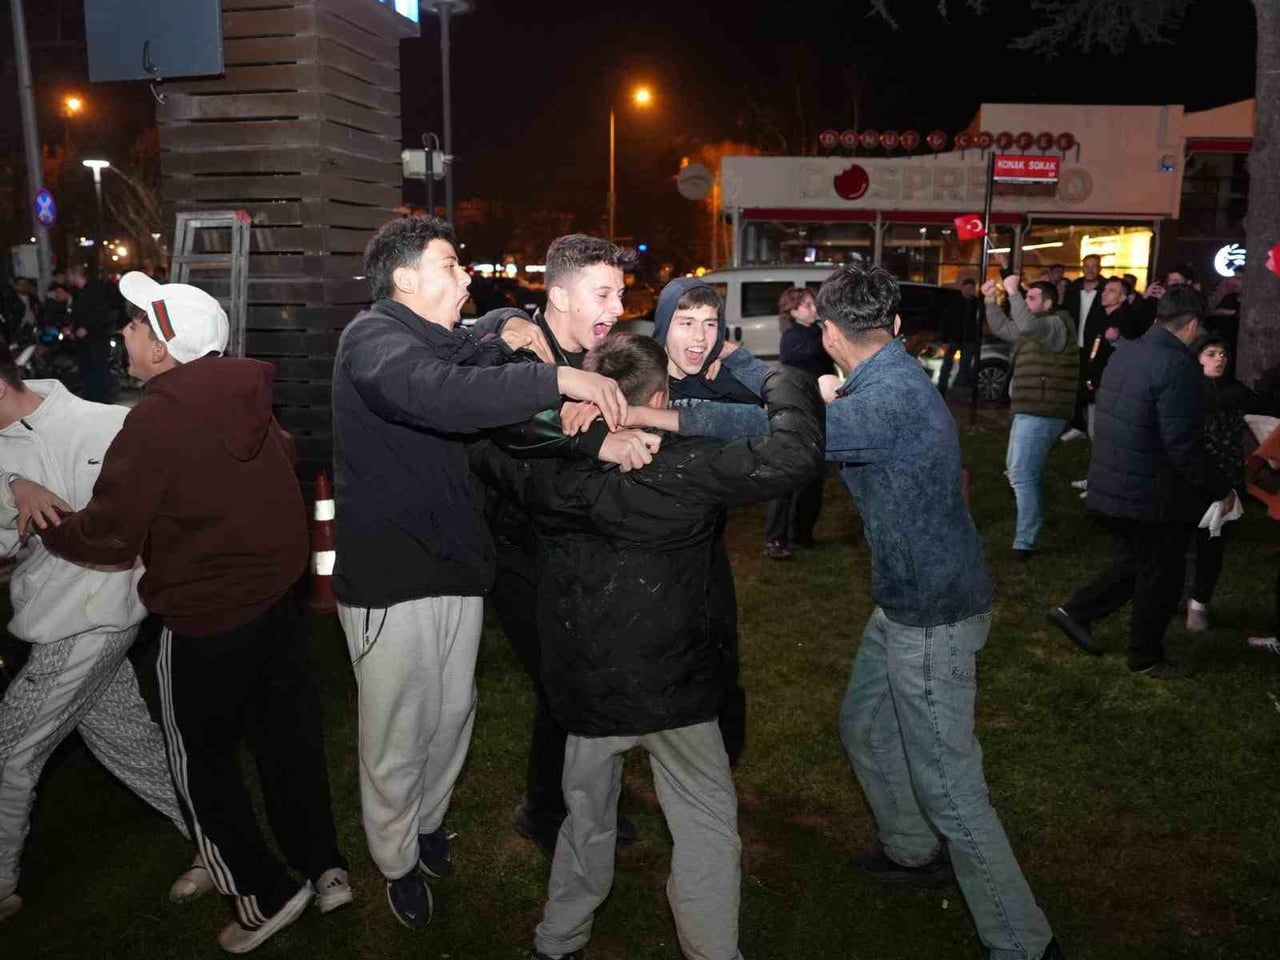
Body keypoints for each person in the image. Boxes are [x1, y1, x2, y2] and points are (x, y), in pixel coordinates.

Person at [639, 263, 1065, 959]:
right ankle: (910, 849)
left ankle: (1023, 940)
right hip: (910, 600)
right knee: (865, 725)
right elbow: (799, 403)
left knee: (952, 787)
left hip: (931, 617)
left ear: (831, 334)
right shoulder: (886, 377)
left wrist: (664, 413)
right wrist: (740, 359)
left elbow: (774, 431)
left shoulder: (886, 403)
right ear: (893, 327)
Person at [468, 332, 824, 960]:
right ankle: (711, 950)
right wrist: (781, 377)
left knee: (586, 819)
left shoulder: (547, 468)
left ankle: (559, 938)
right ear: (659, 397)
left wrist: (538, 390)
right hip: (675, 690)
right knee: (707, 825)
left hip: (588, 687)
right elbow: (794, 453)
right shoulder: (686, 467)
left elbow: (481, 431)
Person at [30, 272, 351, 952]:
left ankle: (263, 893)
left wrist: (49, 522)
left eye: (139, 325)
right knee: (288, 743)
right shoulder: (249, 398)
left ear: (166, 347)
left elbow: (111, 536)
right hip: (276, 610)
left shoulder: (158, 416)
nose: (126, 332)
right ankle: (324, 867)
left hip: (206, 618)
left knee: (199, 766)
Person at [330, 217, 628, 929]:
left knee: (452, 716)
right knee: (397, 731)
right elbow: (438, 391)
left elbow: (478, 335)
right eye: (451, 263)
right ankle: (396, 859)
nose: (467, 274)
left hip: (457, 566)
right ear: (405, 280)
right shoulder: (373, 340)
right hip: (391, 580)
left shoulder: (440, 336)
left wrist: (501, 326)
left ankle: (428, 824)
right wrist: (556, 373)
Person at [0, 354, 211, 923]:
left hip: (95, 619)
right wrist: (14, 486)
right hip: (52, 617)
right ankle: (217, 844)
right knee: (126, 742)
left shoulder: (104, 422)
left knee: (8, 753)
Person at [468, 233, 654, 859]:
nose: (615, 306)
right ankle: (546, 808)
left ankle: (589, 798)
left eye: (620, 294)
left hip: (585, 545)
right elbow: (510, 431)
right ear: (558, 296)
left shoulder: (603, 353)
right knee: (558, 681)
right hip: (521, 553)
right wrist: (581, 434)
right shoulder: (515, 352)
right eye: (603, 292)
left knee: (591, 673)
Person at [1048, 287, 1235, 679]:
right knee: (1161, 575)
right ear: (1194, 325)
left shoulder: (1128, 351)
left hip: (1114, 481)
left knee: (1138, 563)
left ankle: (1075, 612)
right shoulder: (1177, 366)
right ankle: (1145, 657)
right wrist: (1222, 488)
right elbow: (1182, 445)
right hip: (1150, 493)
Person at [982, 275, 1078, 559]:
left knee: (1023, 475)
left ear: (1048, 303)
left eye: (1032, 297)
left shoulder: (1054, 324)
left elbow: (1025, 323)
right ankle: (1027, 532)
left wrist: (1012, 292)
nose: (1025, 301)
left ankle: (1024, 542)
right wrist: (990, 300)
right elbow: (1002, 327)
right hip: (1029, 409)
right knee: (1017, 473)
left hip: (1043, 411)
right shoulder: (1035, 328)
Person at [1184, 336, 1256, 631]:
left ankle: (1199, 601)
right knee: (1179, 542)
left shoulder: (1236, 392)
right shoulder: (1186, 392)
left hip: (1225, 479)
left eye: (1223, 354)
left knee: (1213, 545)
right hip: (1190, 479)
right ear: (1197, 358)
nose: (1219, 359)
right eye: (1211, 353)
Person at [763, 287, 833, 557]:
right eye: (806, 305)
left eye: (813, 304)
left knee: (814, 477)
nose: (813, 309)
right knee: (789, 476)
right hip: (796, 410)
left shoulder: (817, 332)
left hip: (819, 409)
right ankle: (776, 538)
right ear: (792, 310)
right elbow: (807, 356)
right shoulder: (792, 337)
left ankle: (802, 533)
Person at [1062, 255, 1106, 438]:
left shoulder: (1106, 288)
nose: (1090, 270)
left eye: (1094, 266)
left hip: (1096, 346)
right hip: (1074, 345)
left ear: (1100, 268)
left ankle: (1095, 428)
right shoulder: (1073, 288)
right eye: (1087, 266)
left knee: (1093, 386)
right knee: (1074, 386)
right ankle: (1078, 425)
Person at [65, 264, 117, 403]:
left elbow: (101, 313)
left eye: (69, 275)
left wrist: (87, 328)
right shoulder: (77, 292)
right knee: (86, 367)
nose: (67, 278)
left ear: (76, 274)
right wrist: (72, 327)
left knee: (98, 367)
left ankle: (103, 397)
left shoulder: (94, 289)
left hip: (96, 337)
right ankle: (91, 396)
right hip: (83, 341)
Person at [937, 277, 979, 398]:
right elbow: (945, 322)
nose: (969, 291)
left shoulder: (977, 303)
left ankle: (958, 390)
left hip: (969, 339)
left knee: (964, 366)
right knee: (947, 365)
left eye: (971, 288)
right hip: (954, 338)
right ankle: (942, 390)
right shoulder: (954, 302)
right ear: (962, 288)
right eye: (967, 288)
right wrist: (944, 340)